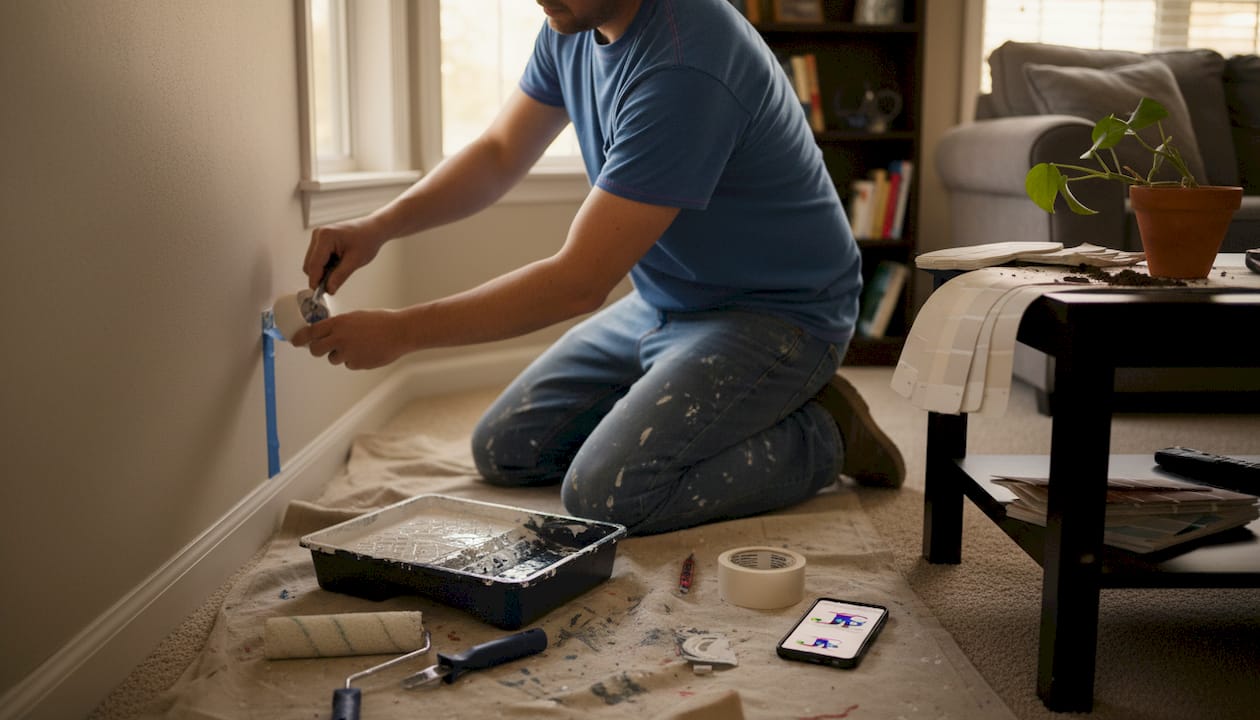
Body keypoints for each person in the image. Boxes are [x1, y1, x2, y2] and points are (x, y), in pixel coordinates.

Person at [292, 0, 904, 535]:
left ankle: (824, 435)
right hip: (665, 299)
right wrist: (377, 227)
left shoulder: (687, 63)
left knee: (608, 495)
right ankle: (697, 404)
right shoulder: (571, 21)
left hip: (777, 315)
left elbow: (578, 282)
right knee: (506, 451)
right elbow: (500, 153)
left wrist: (403, 332)